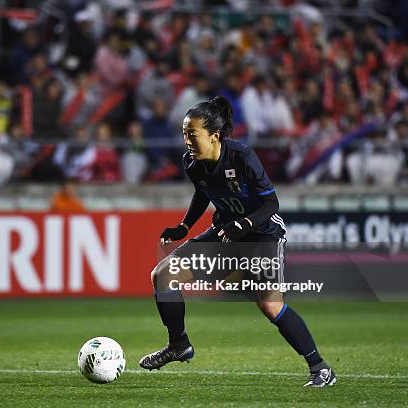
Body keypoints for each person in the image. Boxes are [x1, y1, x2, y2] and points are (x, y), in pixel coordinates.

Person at [139, 96, 336, 388]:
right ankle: (179, 345)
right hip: (226, 233)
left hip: (263, 235)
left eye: (192, 134)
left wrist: (242, 223)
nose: (187, 141)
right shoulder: (192, 162)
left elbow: (271, 204)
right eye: (185, 134)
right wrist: (184, 226)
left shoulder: (242, 156)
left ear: (214, 135)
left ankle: (320, 368)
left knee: (269, 305)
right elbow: (203, 192)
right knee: (164, 275)